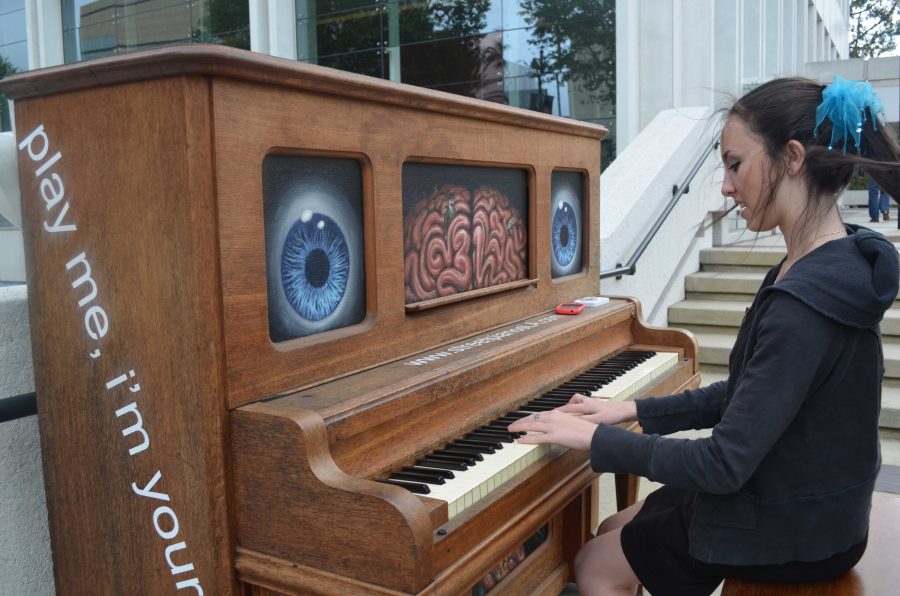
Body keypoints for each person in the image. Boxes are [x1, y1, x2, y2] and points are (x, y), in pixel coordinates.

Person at [509, 76, 900, 596]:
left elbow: (723, 464)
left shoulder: (804, 301)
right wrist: (630, 412)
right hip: (814, 504)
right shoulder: (830, 262)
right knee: (611, 528)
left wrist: (598, 441)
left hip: (793, 531)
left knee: (595, 565)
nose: (724, 185)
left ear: (793, 158)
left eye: (735, 164)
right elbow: (748, 395)